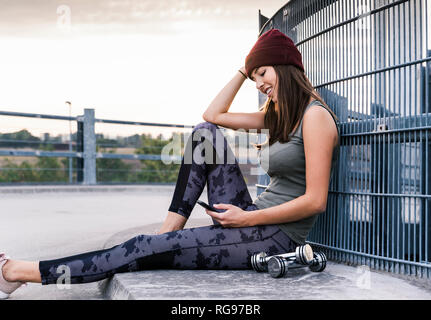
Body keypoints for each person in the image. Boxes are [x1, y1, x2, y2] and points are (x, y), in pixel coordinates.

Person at [0, 29, 339, 299]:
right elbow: (212, 116)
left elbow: (315, 201)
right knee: (205, 133)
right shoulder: (278, 115)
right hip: (252, 219)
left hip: (276, 238)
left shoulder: (315, 118)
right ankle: (168, 234)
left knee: (138, 248)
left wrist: (246, 218)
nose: (260, 85)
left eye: (263, 73)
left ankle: (17, 272)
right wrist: (245, 66)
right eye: (254, 79)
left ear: (285, 65)